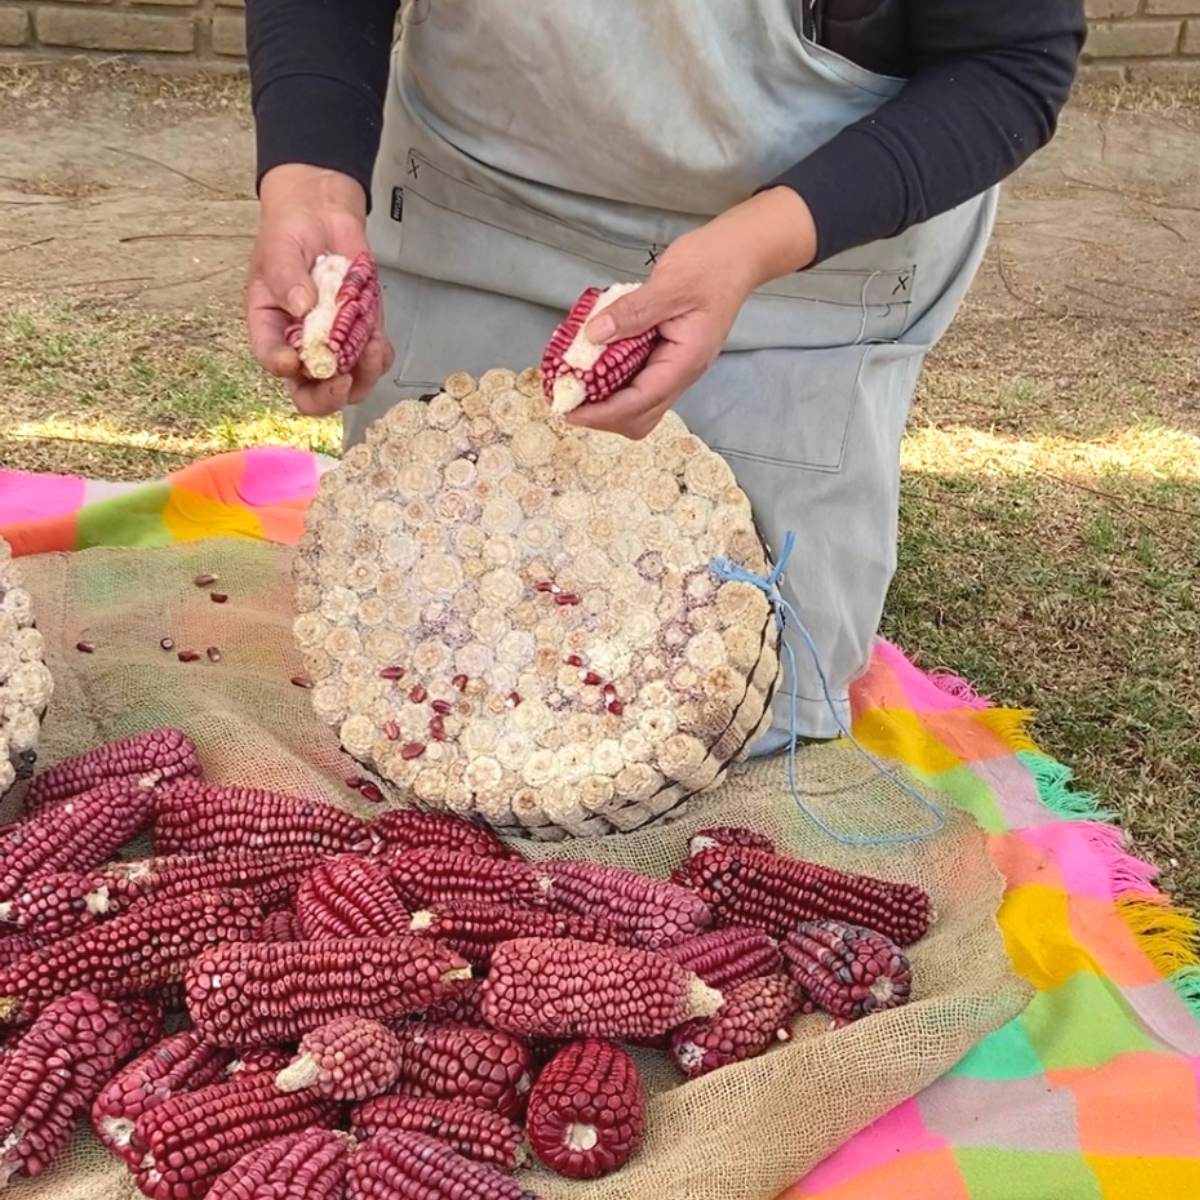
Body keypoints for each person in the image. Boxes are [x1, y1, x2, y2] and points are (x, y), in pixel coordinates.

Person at [243, 0, 1086, 751]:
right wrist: (309, 180)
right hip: (478, 208)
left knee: (724, 717)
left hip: (800, 262)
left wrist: (754, 246)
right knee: (415, 679)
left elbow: (1008, 62)